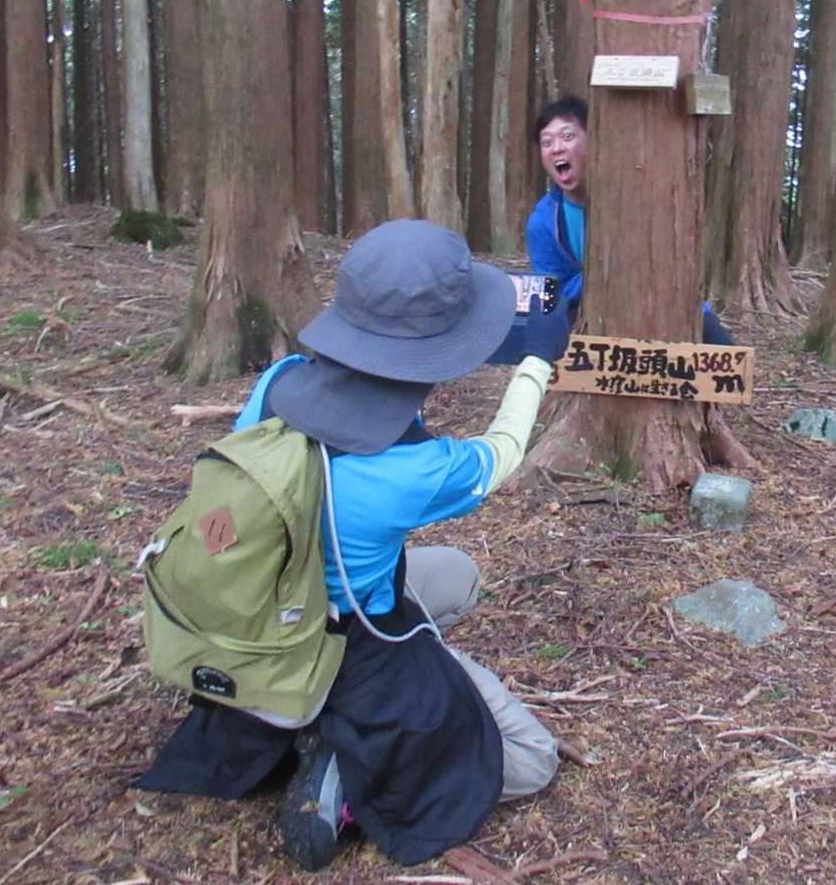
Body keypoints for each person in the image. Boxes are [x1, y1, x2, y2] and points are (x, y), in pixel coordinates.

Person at [137, 219, 570, 871]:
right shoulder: (413, 472)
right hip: (338, 645)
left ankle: (304, 723)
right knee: (531, 759)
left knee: (456, 576)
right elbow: (504, 451)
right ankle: (345, 767)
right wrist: (536, 359)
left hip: (255, 621)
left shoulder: (280, 381)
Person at [525, 94, 735, 345]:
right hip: (585, 314)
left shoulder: (635, 196)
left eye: (568, 137)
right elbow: (552, 291)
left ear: (595, 139)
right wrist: (605, 274)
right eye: (547, 142)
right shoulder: (543, 221)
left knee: (725, 355)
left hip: (663, 302)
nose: (557, 148)